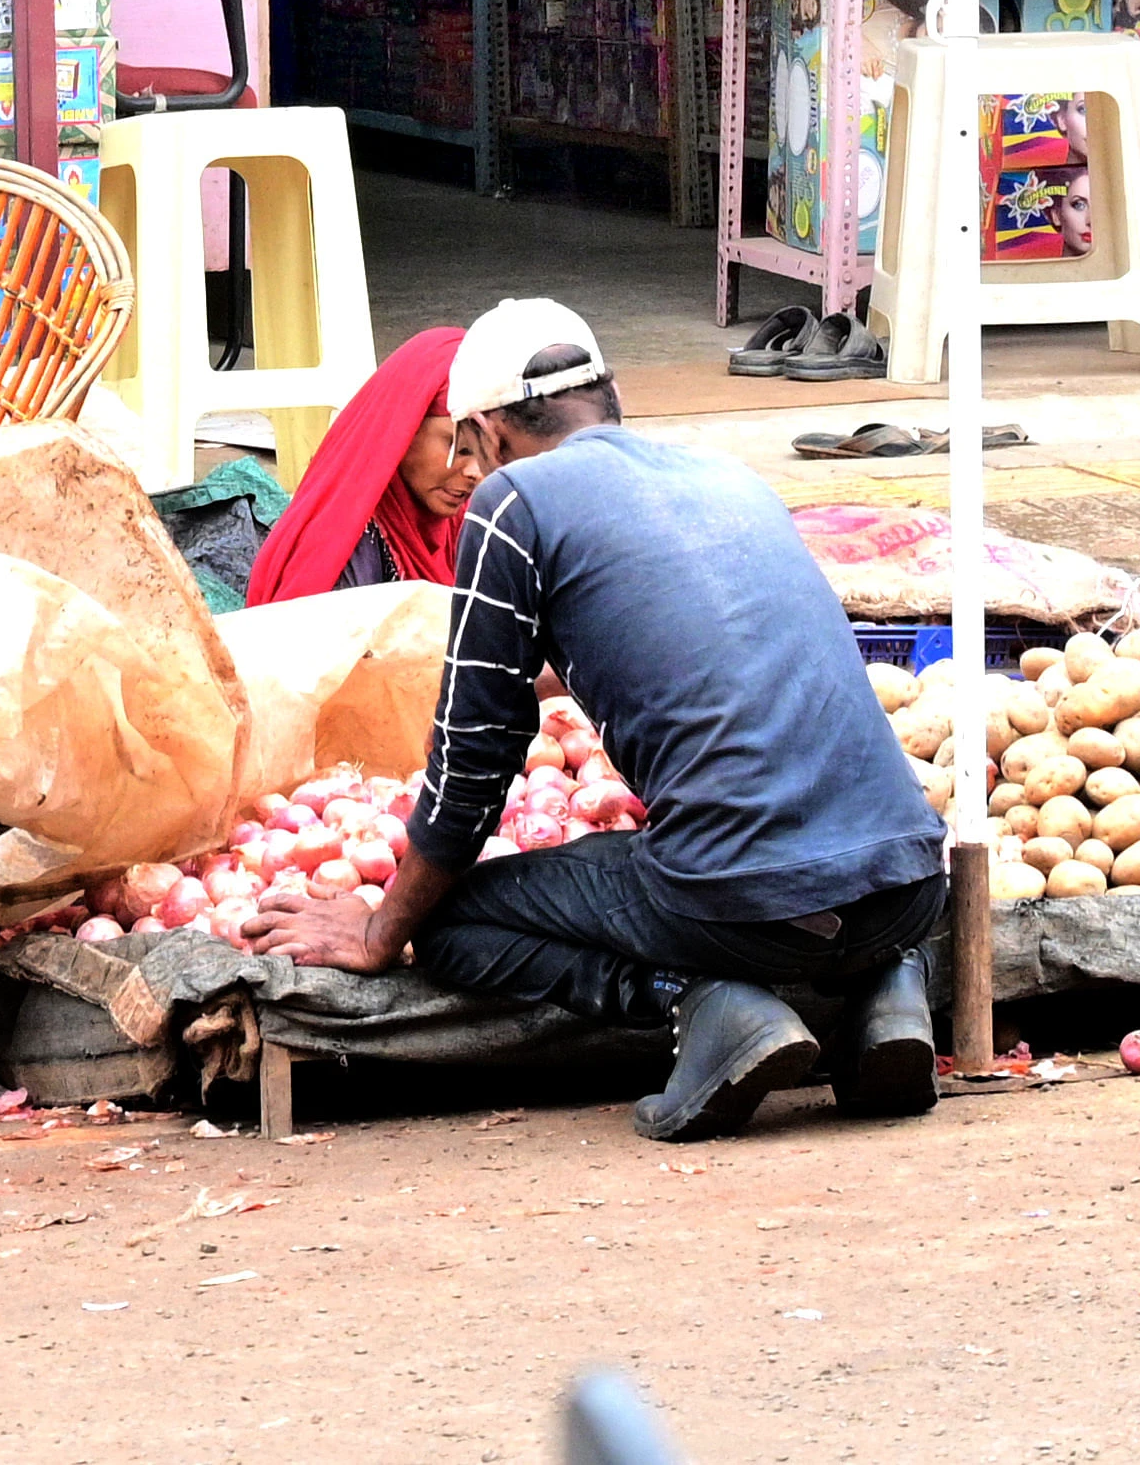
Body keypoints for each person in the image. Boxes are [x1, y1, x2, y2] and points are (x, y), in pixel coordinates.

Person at [238, 301, 946, 1144]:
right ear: (607, 397)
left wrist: (381, 929)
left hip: (745, 904)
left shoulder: (513, 501)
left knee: (452, 918)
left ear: (487, 432)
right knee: (769, 872)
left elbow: (472, 769)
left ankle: (707, 1006)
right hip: (911, 886)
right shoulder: (727, 474)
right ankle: (885, 988)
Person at [237, 326, 480, 603]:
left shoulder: (459, 521)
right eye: (460, 448)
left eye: (489, 453)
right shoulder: (342, 546)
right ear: (403, 429)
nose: (476, 471)